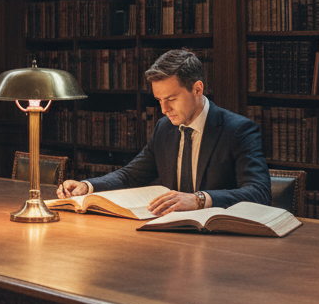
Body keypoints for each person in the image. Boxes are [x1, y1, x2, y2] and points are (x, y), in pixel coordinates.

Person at [56, 48, 270, 215]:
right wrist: (87, 186)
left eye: (171, 99)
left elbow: (259, 192)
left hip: (220, 241)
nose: (164, 109)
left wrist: (199, 199)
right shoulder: (164, 128)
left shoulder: (239, 130)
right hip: (170, 233)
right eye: (159, 100)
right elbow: (131, 176)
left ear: (197, 89)